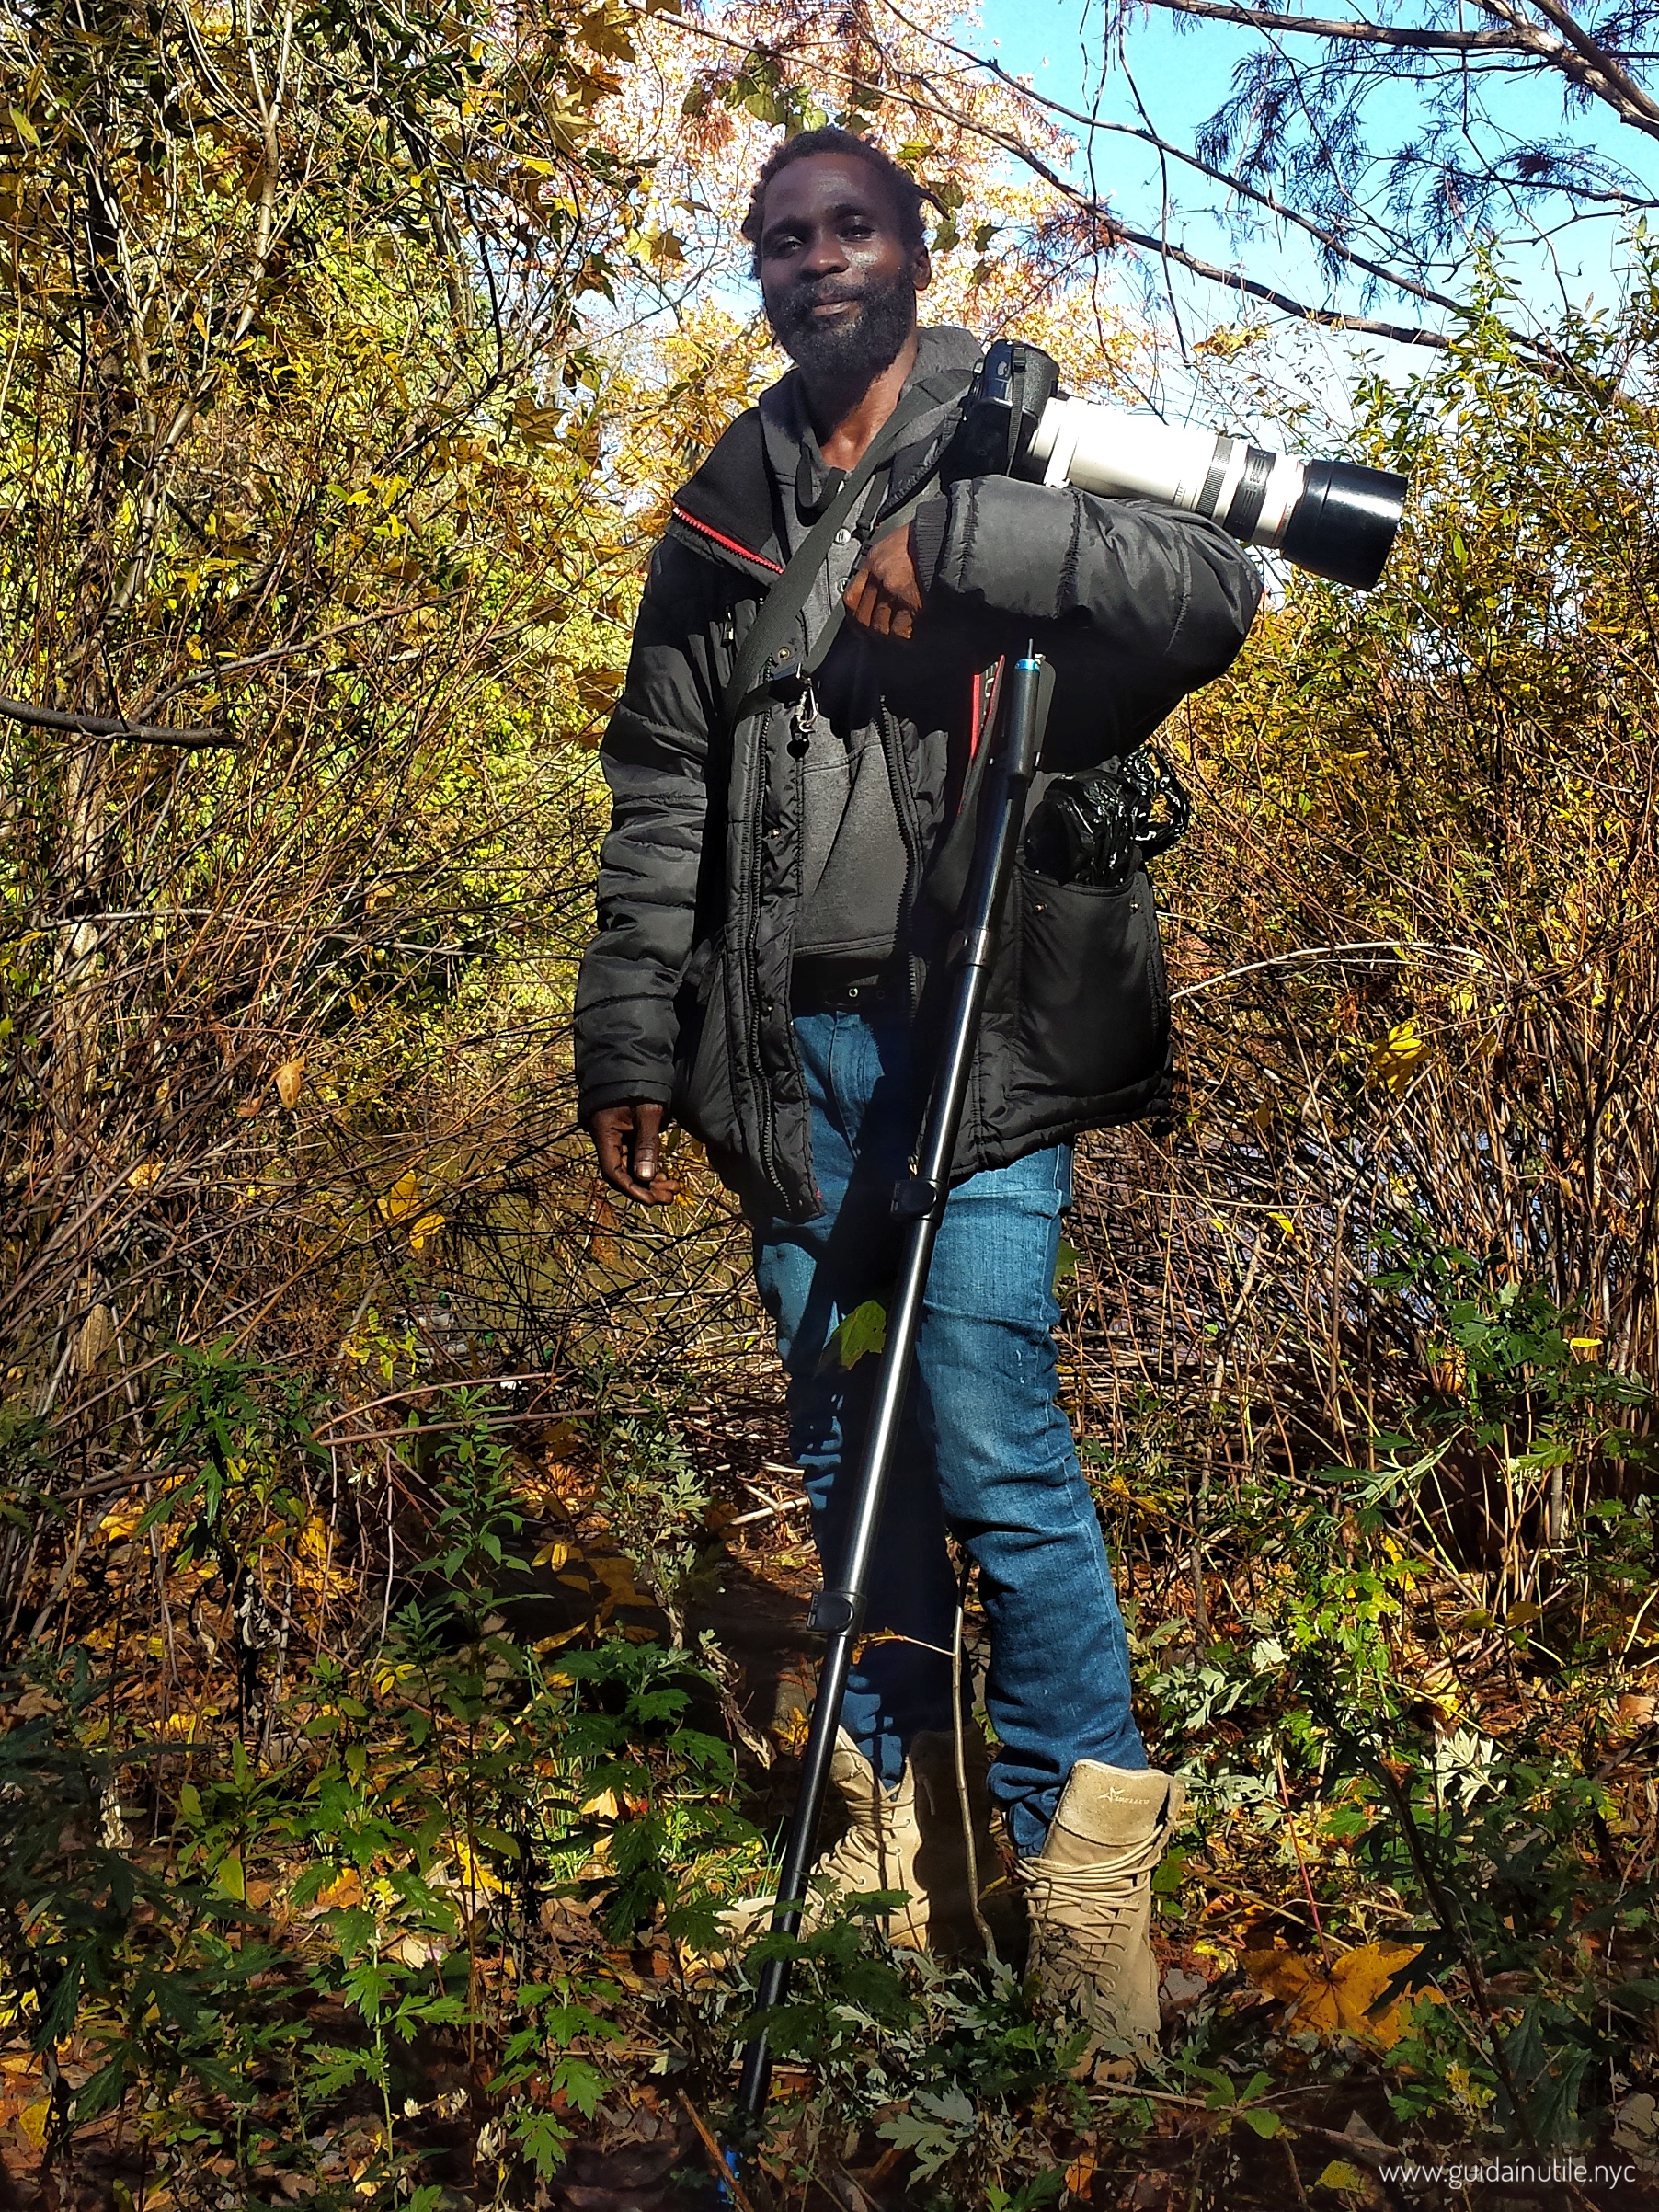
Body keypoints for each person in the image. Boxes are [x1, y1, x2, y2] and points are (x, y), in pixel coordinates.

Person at [574, 126, 1260, 2060]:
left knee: (982, 1428)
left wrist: (962, 541)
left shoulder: (1022, 432)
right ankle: (907, 1837)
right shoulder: (719, 513)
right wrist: (630, 1035)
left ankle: (1082, 1889)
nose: (815, 261)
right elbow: (663, 791)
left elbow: (1206, 595)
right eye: (781, 236)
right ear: (759, 266)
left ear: (909, 246)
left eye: (848, 226)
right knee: (840, 1431)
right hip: (784, 1060)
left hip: (987, 1044)